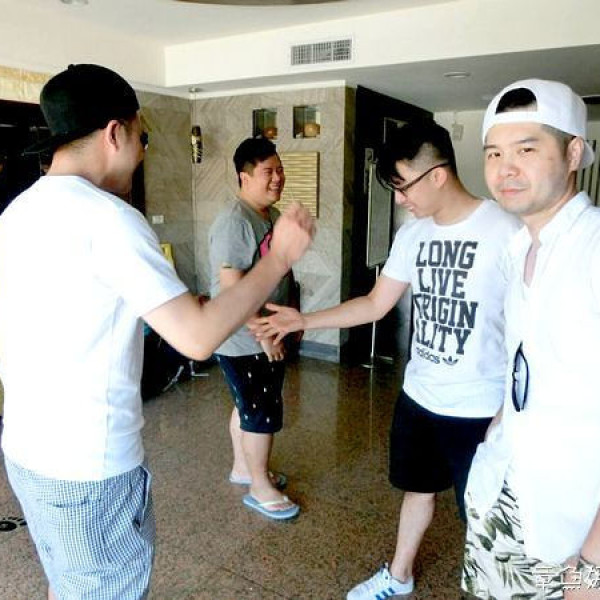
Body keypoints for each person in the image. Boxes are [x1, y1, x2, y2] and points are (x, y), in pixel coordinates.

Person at [0, 64, 314, 600]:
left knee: (69, 583)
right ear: (115, 133)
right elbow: (196, 340)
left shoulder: (18, 212)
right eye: (142, 138)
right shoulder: (109, 218)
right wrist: (279, 256)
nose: (142, 153)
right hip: (90, 467)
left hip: (27, 452)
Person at [251, 119, 520, 598]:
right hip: (419, 397)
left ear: (438, 175)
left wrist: (509, 413)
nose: (399, 199)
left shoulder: (507, 233)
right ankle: (399, 574)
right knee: (417, 489)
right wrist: (304, 320)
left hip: (480, 409)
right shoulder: (414, 235)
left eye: (403, 186)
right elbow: (376, 304)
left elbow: (529, 332)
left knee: (483, 515)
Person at [462, 79, 600, 600]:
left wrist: (592, 568)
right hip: (501, 490)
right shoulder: (518, 249)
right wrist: (499, 427)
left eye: (526, 149)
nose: (505, 169)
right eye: (493, 153)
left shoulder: (593, 248)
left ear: (573, 153)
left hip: (571, 528)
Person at [209, 137, 300, 521]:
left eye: (280, 170)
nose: (277, 178)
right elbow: (232, 289)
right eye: (268, 172)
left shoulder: (269, 216)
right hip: (244, 338)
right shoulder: (235, 221)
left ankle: (244, 469)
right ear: (244, 177)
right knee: (261, 411)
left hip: (262, 332)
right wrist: (264, 334)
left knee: (247, 405)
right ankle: (260, 487)